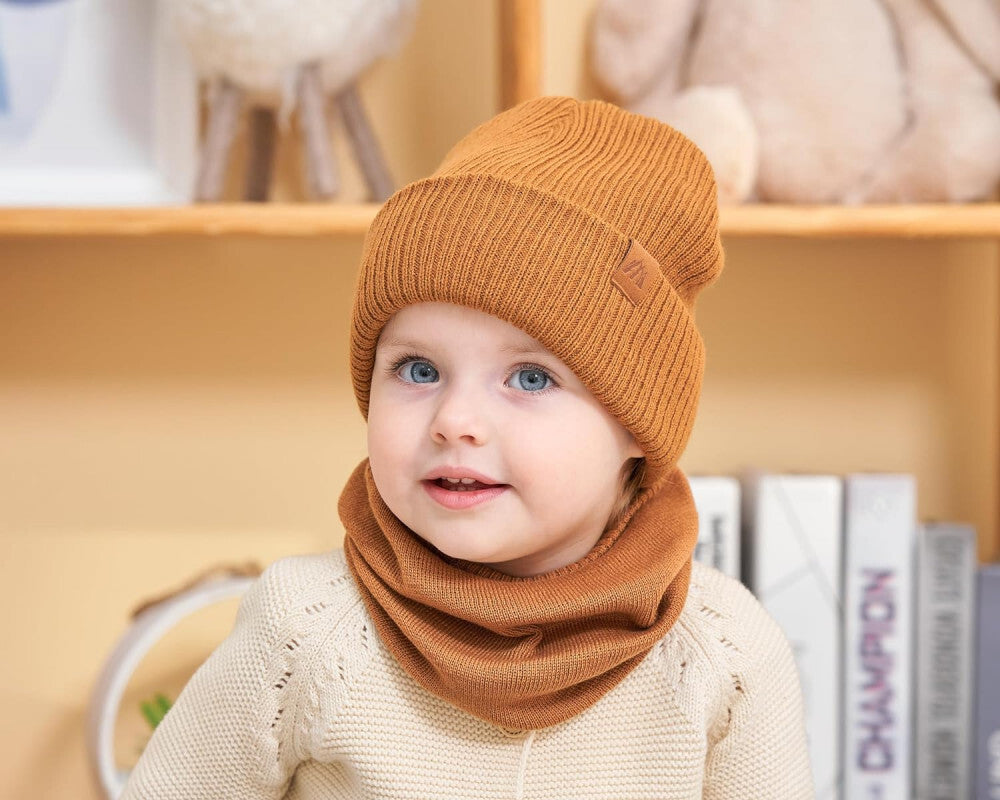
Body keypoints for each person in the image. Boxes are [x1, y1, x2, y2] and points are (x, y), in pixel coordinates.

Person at [119, 96, 813, 799]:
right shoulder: (302, 629)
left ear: (639, 421)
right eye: (419, 370)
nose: (454, 421)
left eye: (531, 378)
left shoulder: (725, 658)